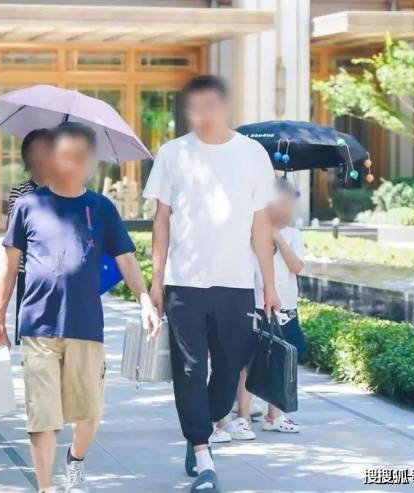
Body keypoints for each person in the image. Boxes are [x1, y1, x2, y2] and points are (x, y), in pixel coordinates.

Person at [0, 122, 160, 493]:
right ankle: (45, 488)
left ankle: (75, 458)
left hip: (85, 326)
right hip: (38, 326)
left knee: (89, 413)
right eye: (66, 155)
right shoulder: (28, 205)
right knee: (42, 418)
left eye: (81, 157)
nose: (73, 163)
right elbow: (8, 268)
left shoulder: (102, 208)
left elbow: (126, 259)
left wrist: (144, 300)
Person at [143, 75, 280, 493]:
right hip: (185, 282)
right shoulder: (173, 153)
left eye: (210, 106)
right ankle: (202, 453)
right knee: (189, 368)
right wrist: (156, 282)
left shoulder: (252, 154)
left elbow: (261, 224)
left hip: (235, 283)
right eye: (195, 108)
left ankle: (202, 422)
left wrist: (269, 285)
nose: (202, 115)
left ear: (224, 107)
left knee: (230, 367)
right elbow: (162, 220)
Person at [233, 178, 306, 437]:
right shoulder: (252, 232)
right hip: (257, 307)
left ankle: (274, 415)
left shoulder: (293, 235)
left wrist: (278, 236)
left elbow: (297, 267)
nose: (287, 211)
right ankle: (242, 416)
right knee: (250, 364)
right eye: (282, 205)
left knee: (280, 361)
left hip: (286, 310)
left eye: (290, 206)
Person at [6, 128, 54, 344]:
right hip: (29, 273)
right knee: (32, 337)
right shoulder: (21, 192)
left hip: (60, 274)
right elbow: (12, 233)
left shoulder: (68, 190)